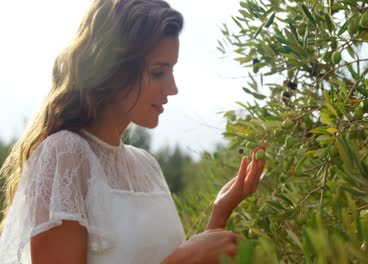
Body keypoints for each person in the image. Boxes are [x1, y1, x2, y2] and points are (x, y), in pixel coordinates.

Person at [0, 0, 267, 263]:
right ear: (113, 68)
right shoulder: (65, 155)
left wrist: (219, 215)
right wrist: (188, 256)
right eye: (158, 72)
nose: (172, 88)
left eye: (171, 70)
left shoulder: (146, 166)